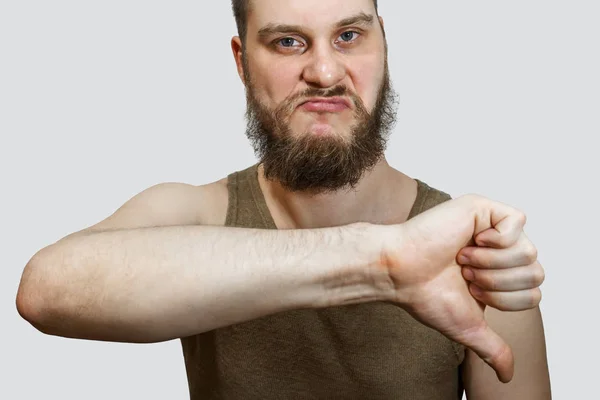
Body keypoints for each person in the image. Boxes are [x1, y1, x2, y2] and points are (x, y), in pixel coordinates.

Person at [16, 0, 551, 398]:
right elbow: (46, 290)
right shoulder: (199, 214)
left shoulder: (477, 255)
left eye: (348, 36)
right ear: (242, 61)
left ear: (383, 44)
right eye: (287, 42)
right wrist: (382, 263)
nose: (323, 73)